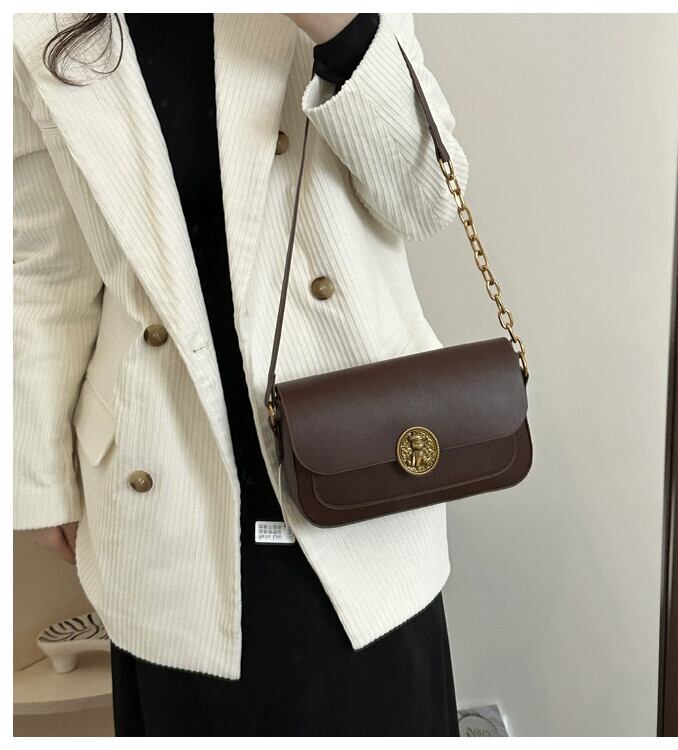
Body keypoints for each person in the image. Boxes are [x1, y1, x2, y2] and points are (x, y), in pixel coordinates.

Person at [13, 12, 469, 736]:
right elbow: (42, 267)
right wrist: (37, 477)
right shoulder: (40, 19)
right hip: (163, 485)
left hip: (356, 470)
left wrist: (338, 26)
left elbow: (428, 199)